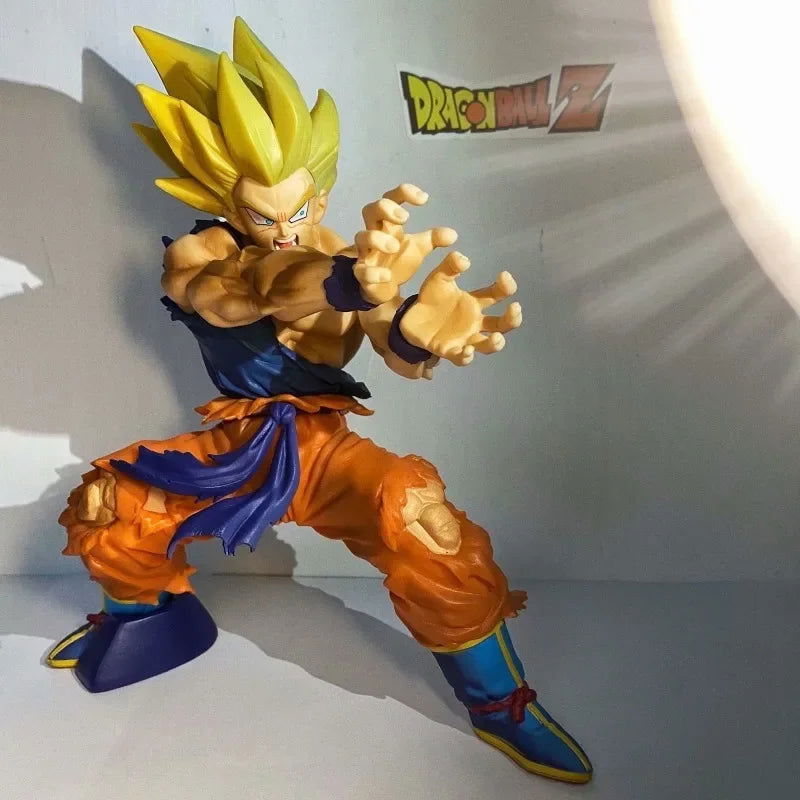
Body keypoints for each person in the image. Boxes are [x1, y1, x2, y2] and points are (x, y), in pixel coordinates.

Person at [47, 18, 592, 784]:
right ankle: (145, 621)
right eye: (262, 216)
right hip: (234, 449)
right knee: (111, 502)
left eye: (298, 211)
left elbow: (390, 341)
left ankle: (501, 705)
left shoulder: (359, 256)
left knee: (425, 523)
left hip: (326, 452)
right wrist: (340, 283)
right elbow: (240, 295)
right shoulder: (204, 252)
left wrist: (419, 334)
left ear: (322, 192)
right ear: (225, 202)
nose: (283, 230)